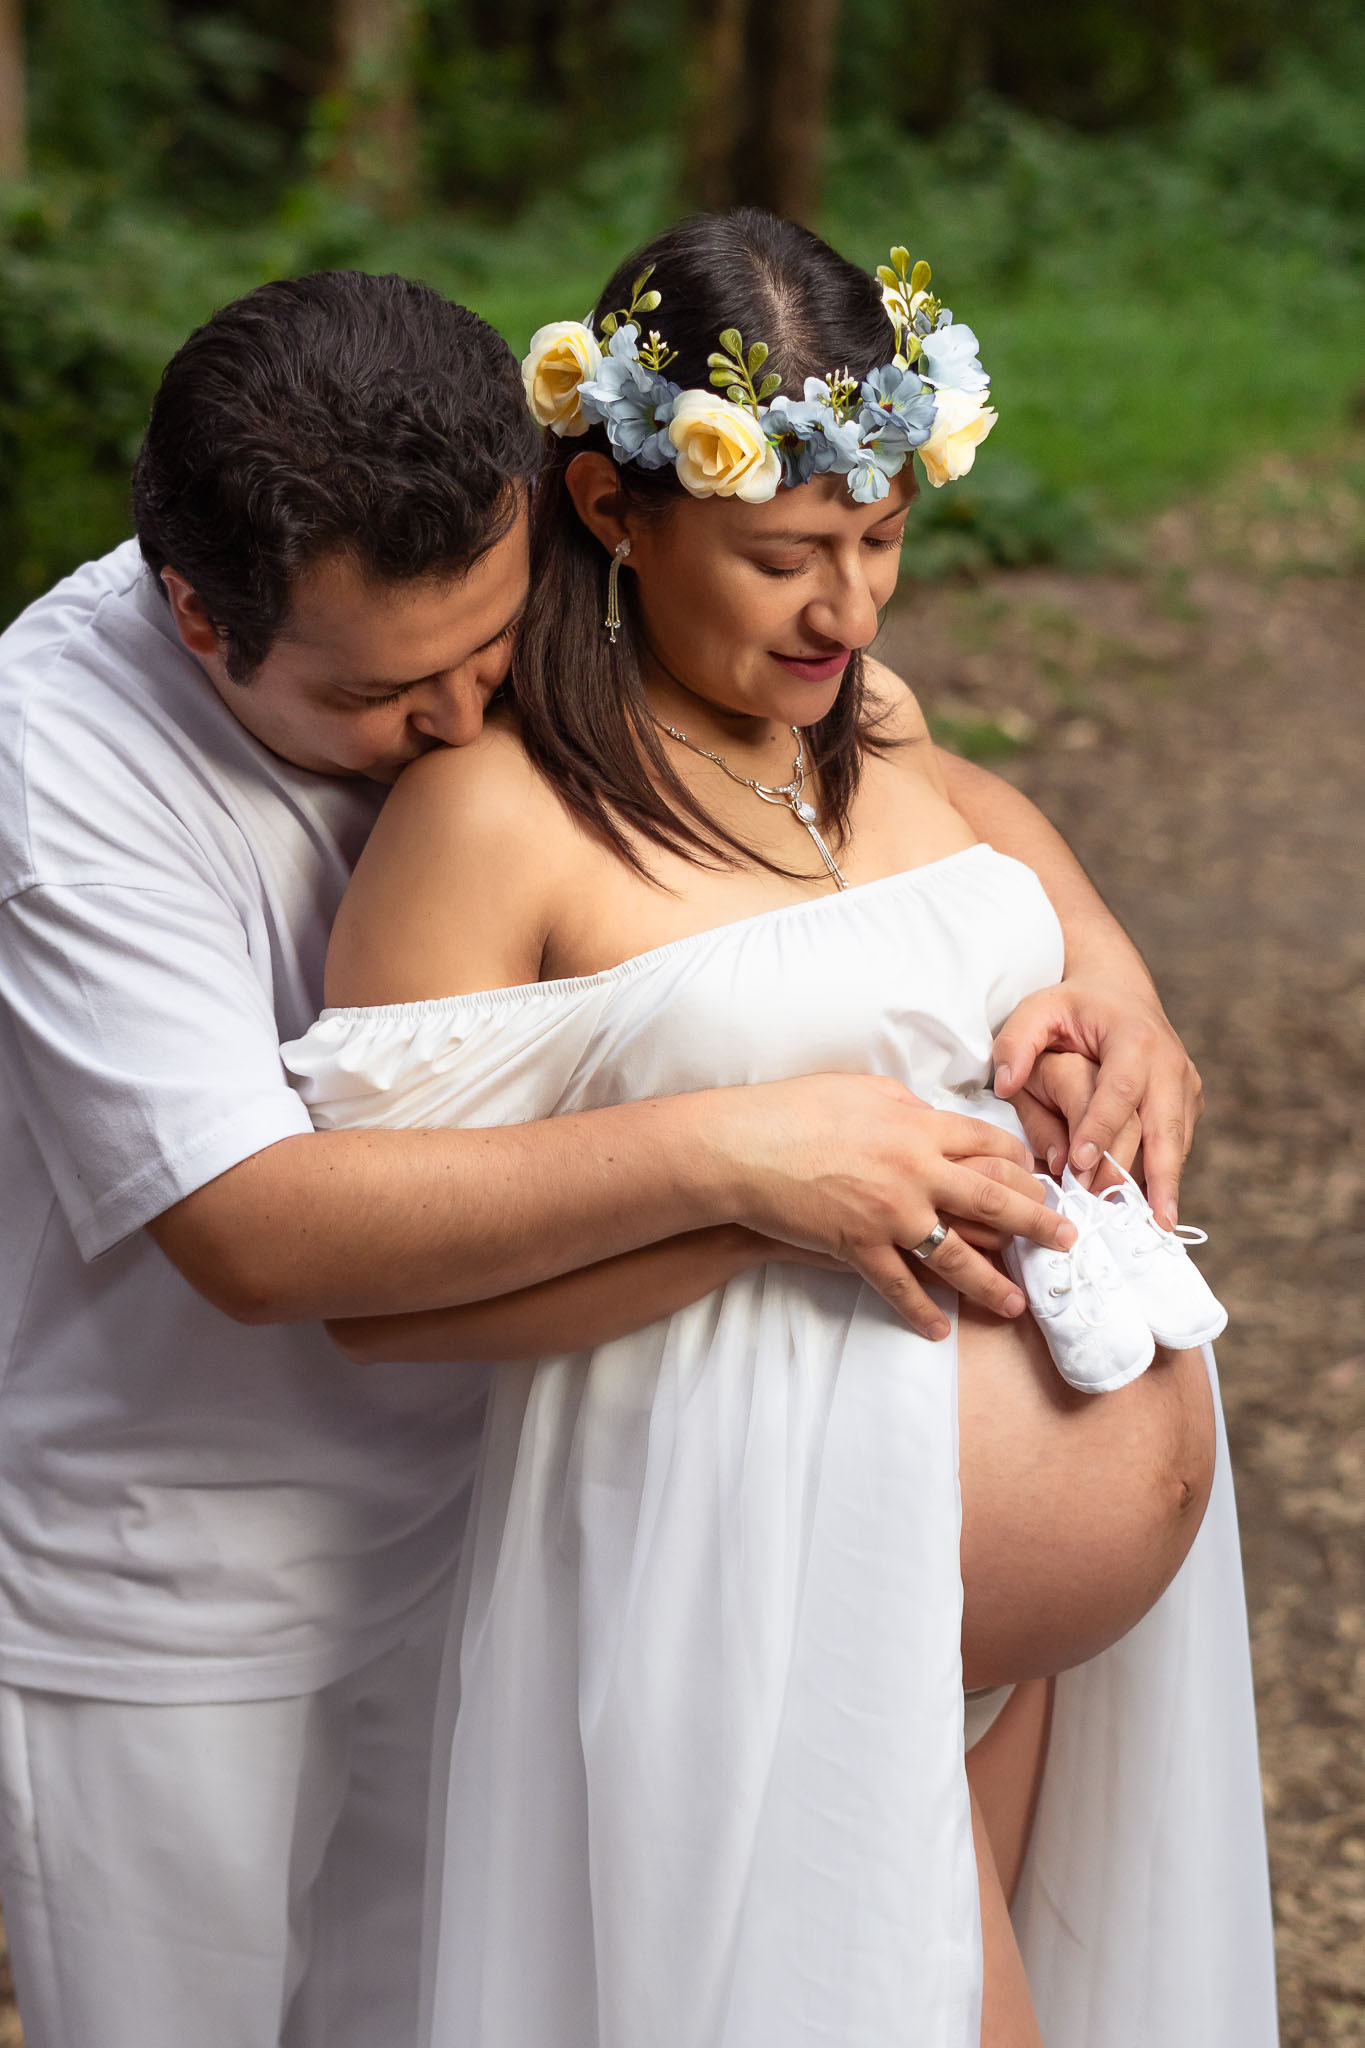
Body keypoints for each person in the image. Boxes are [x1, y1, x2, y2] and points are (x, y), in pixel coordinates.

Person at [0, 266, 1203, 2048]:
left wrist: (1100, 962)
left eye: (495, 637)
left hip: (503, 1523)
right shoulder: (60, 764)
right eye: (395, 689)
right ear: (200, 616)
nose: (474, 706)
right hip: (191, 1574)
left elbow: (881, 752)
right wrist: (743, 1168)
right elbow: (257, 1235)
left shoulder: (499, 562)